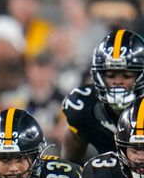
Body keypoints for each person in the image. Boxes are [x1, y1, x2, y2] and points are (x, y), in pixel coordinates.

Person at [61, 29, 144, 164]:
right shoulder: (82, 107)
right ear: (98, 76)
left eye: (127, 75)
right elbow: (70, 166)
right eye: (111, 75)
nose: (118, 81)